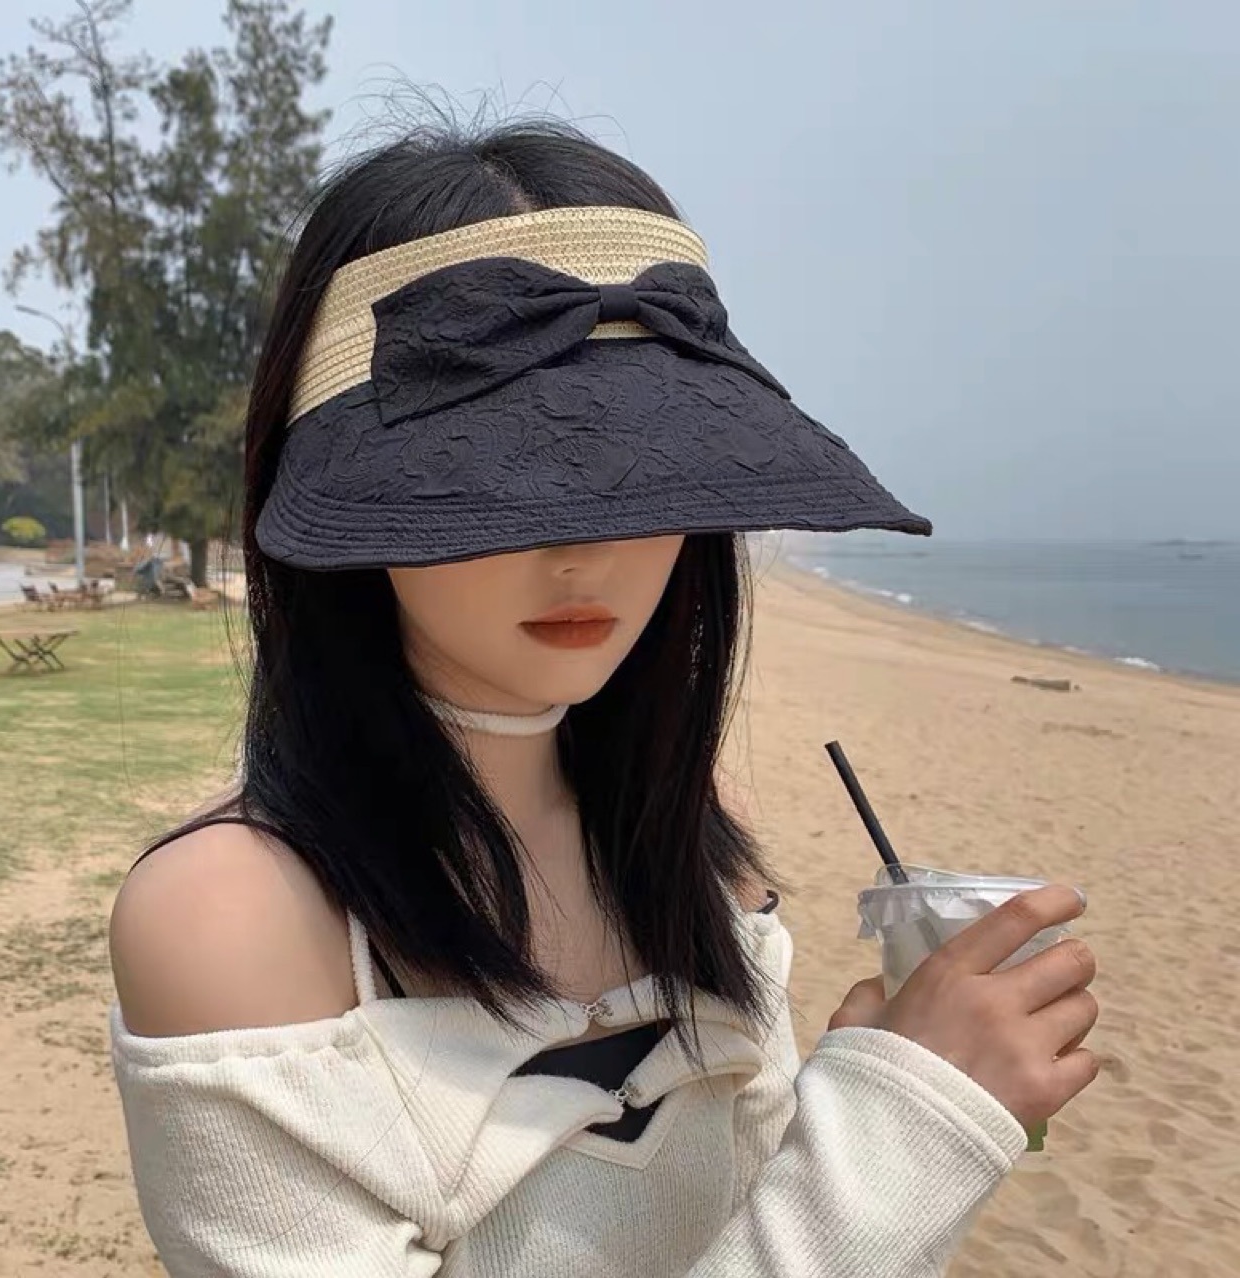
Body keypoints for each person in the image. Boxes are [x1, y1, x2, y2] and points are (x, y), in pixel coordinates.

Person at [108, 120, 1100, 1277]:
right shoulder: (233, 919)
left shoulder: (688, 847)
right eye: (494, 473)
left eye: (644, 470)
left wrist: (870, 1106)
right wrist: (898, 1137)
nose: (585, 546)